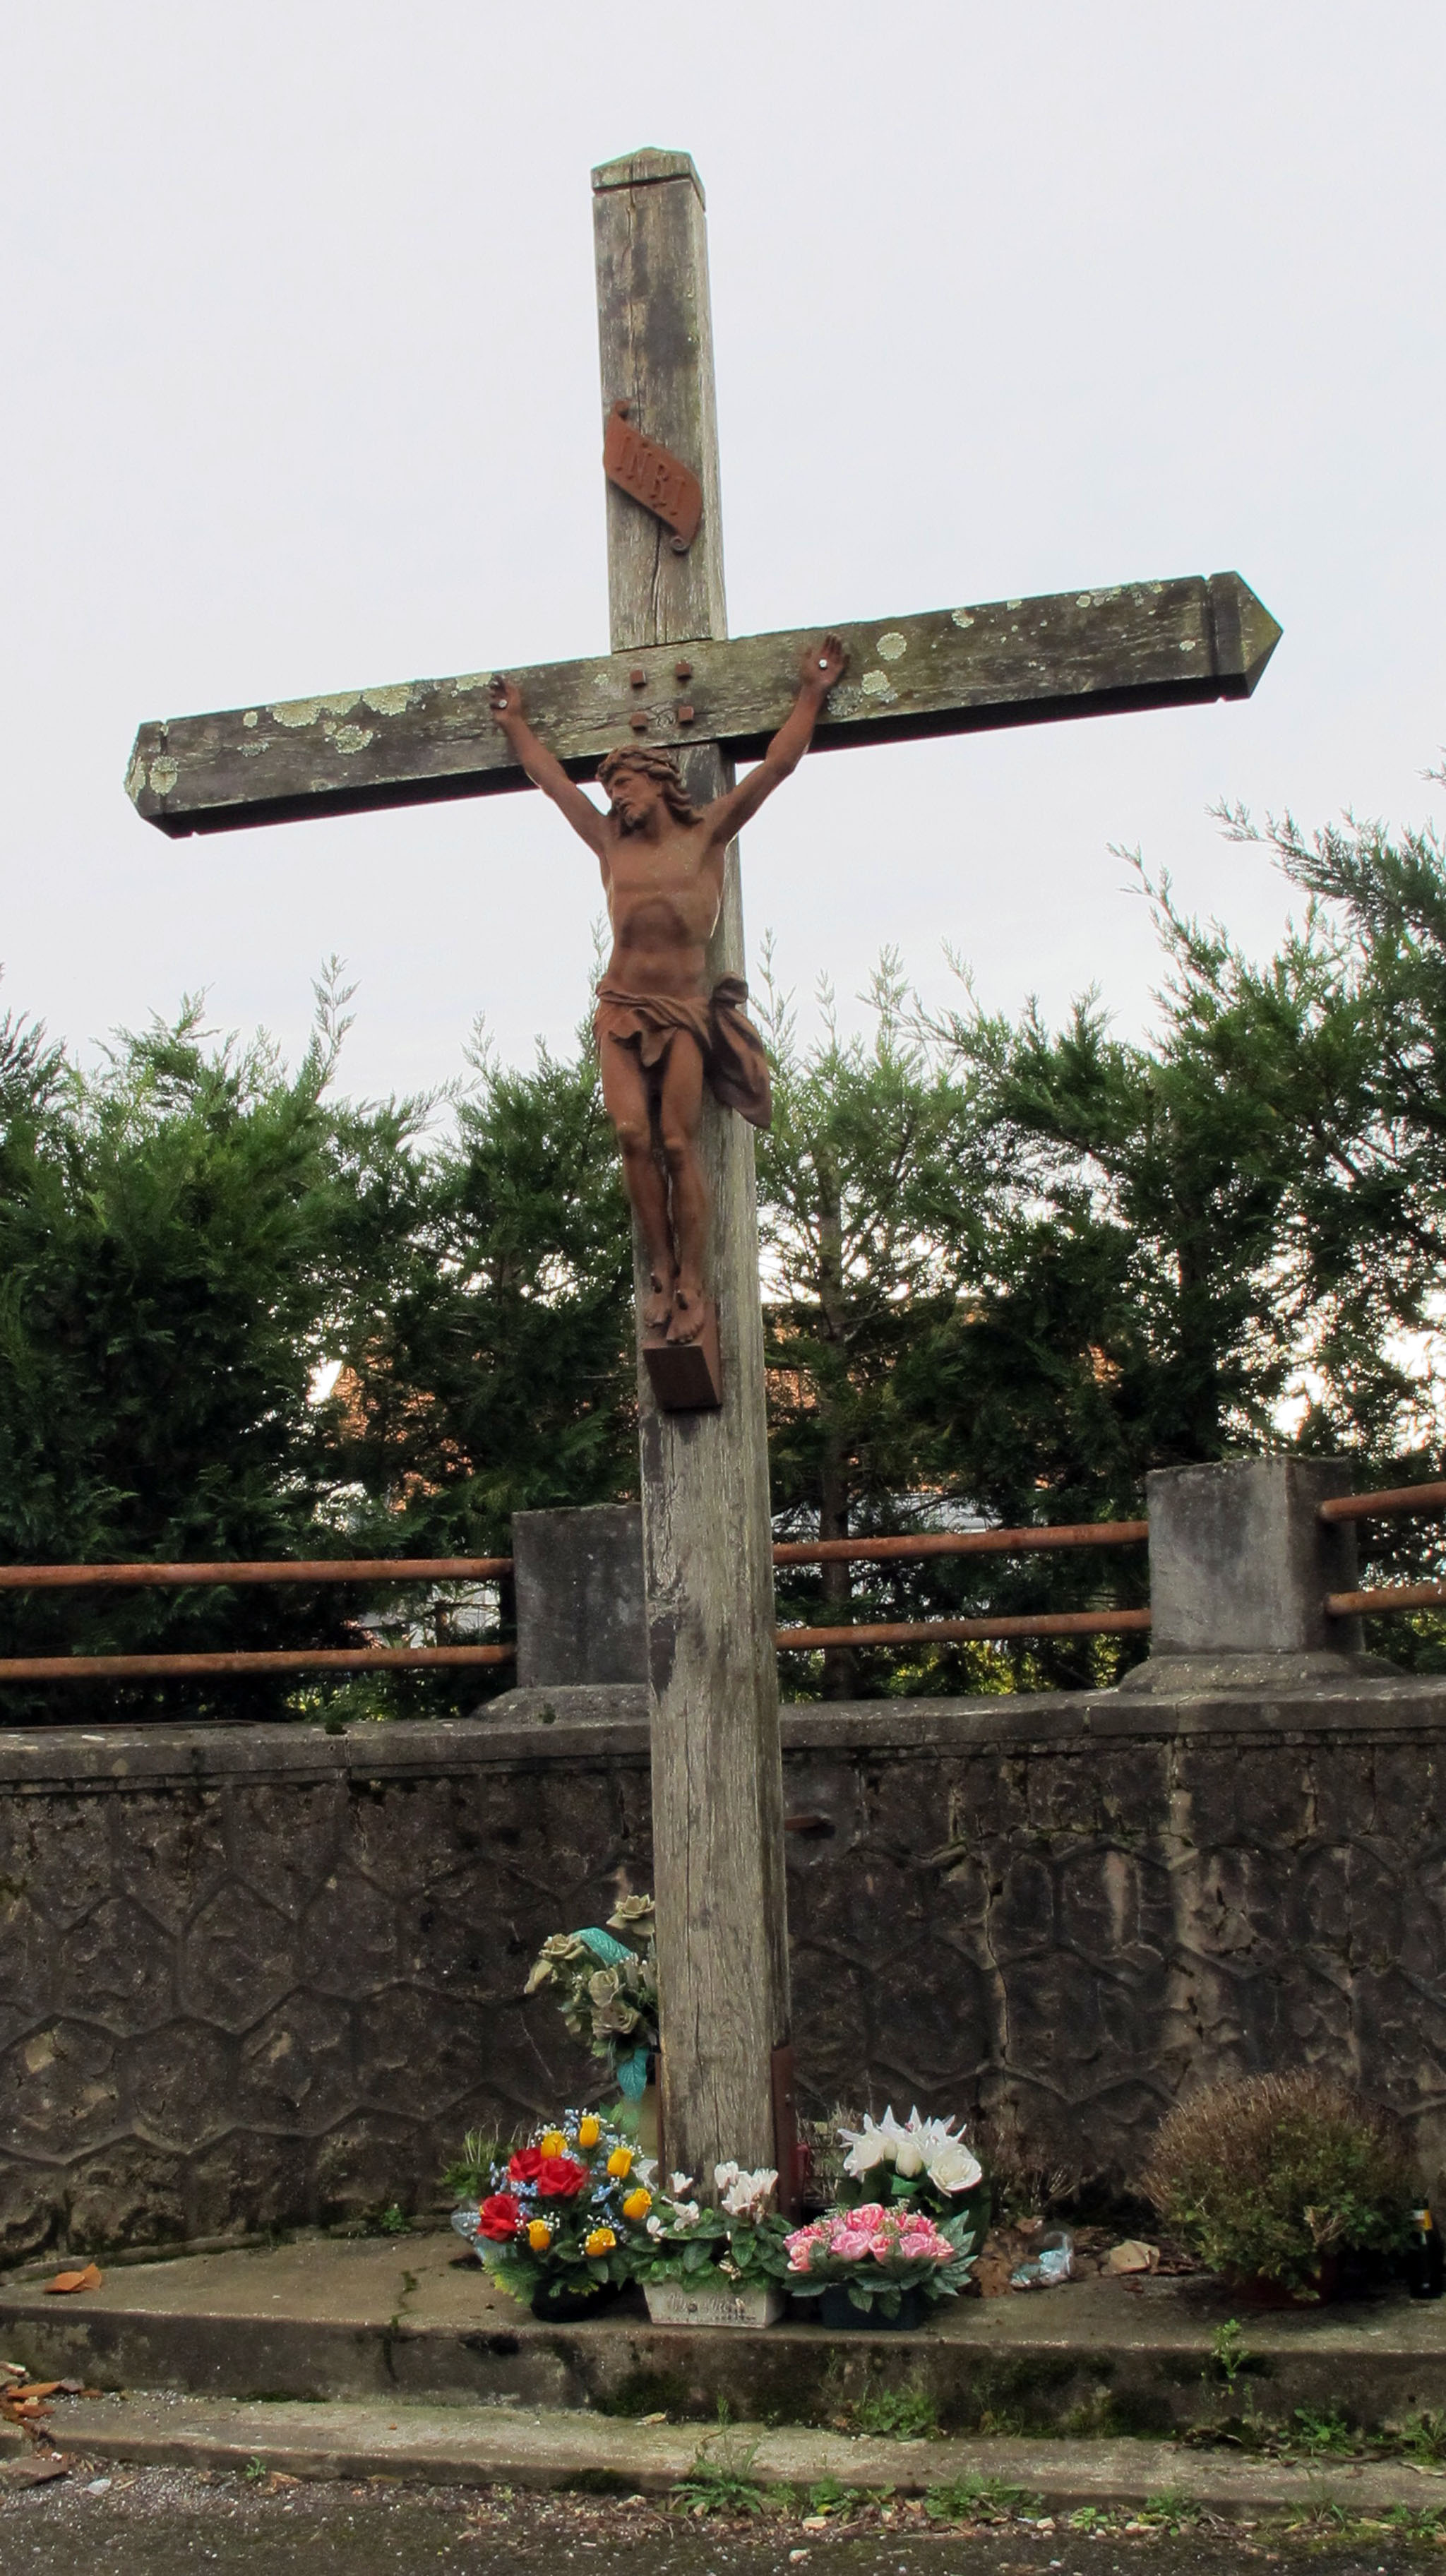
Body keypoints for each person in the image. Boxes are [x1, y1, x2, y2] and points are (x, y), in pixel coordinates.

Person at [487, 636, 847, 1344]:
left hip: (683, 1013)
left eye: (624, 784)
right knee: (632, 1136)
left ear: (657, 783)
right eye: (610, 790)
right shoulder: (608, 843)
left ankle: (693, 1279)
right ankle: (658, 1265)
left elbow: (775, 767)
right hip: (620, 1008)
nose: (616, 797)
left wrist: (811, 693)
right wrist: (515, 724)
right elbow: (552, 783)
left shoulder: (707, 834)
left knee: (678, 1144)